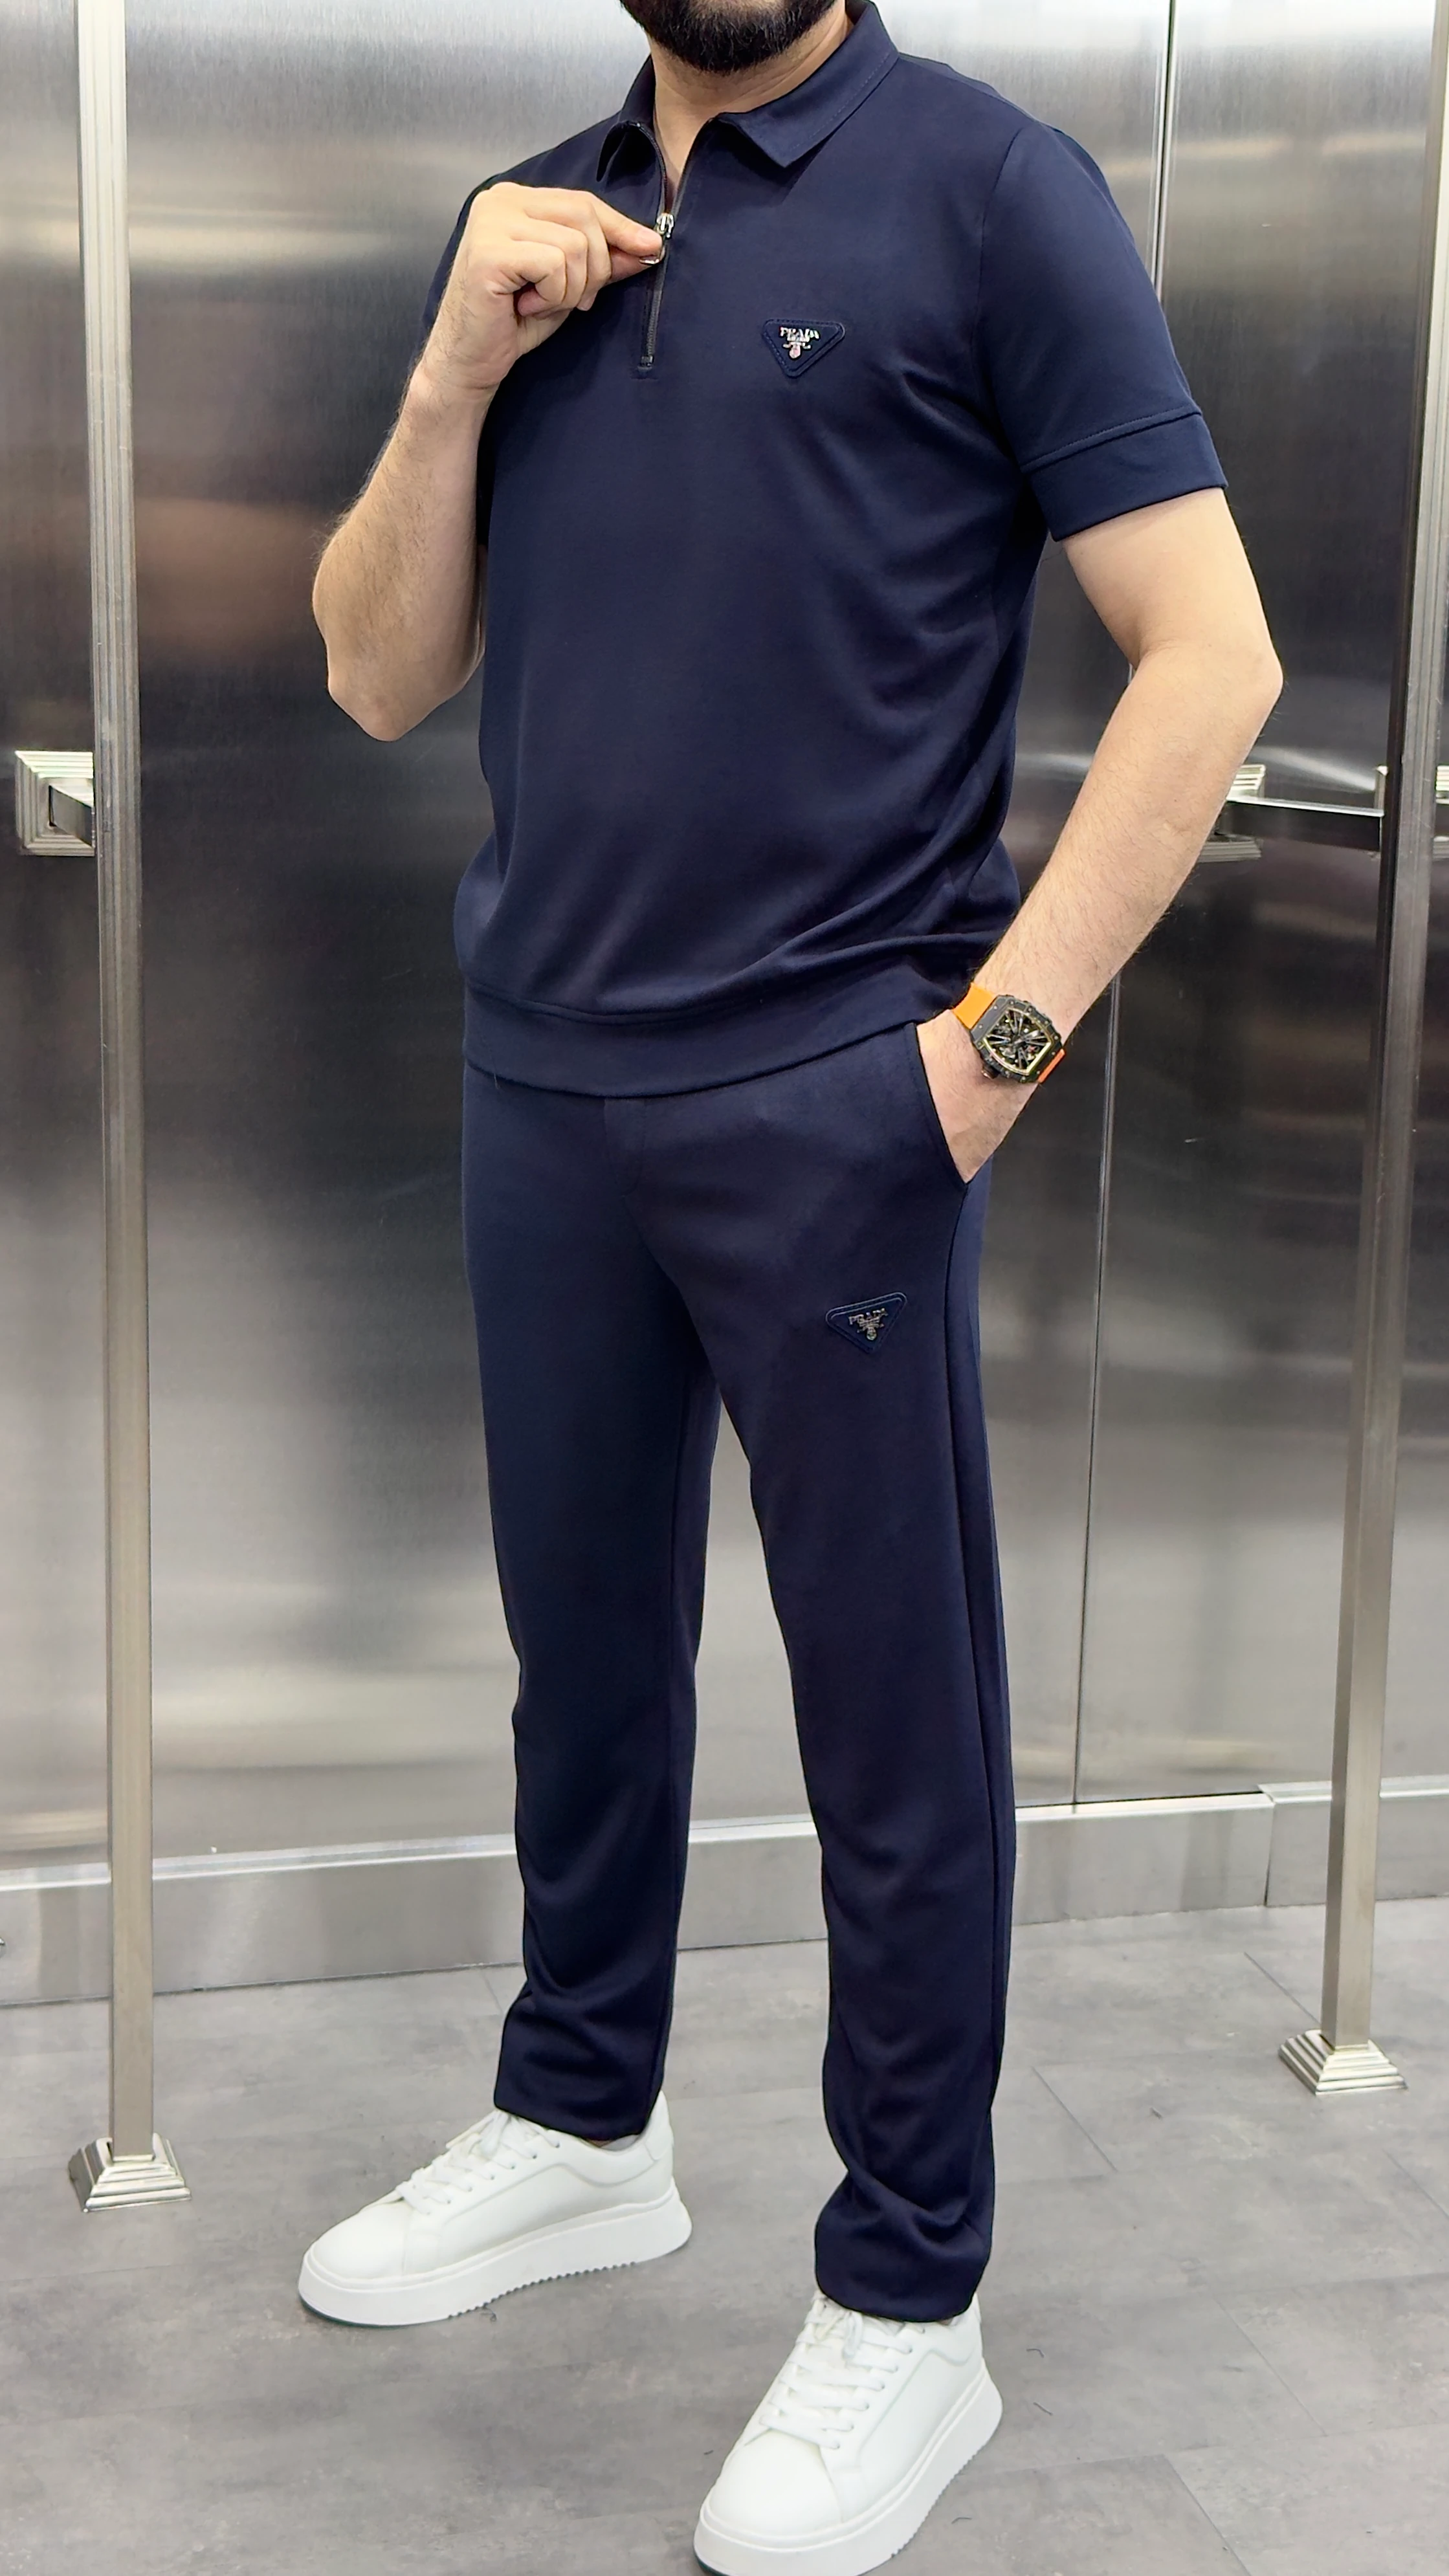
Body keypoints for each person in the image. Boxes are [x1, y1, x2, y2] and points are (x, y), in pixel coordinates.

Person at [300, 5, 1280, 2570]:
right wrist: (448, 368)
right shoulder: (527, 224)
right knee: (581, 1654)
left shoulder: (990, 189)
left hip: (839, 1102)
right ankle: (578, 2117)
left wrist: (985, 1060)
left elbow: (1212, 653)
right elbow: (377, 671)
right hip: (541, 1086)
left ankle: (908, 2288)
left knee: (891, 1718)